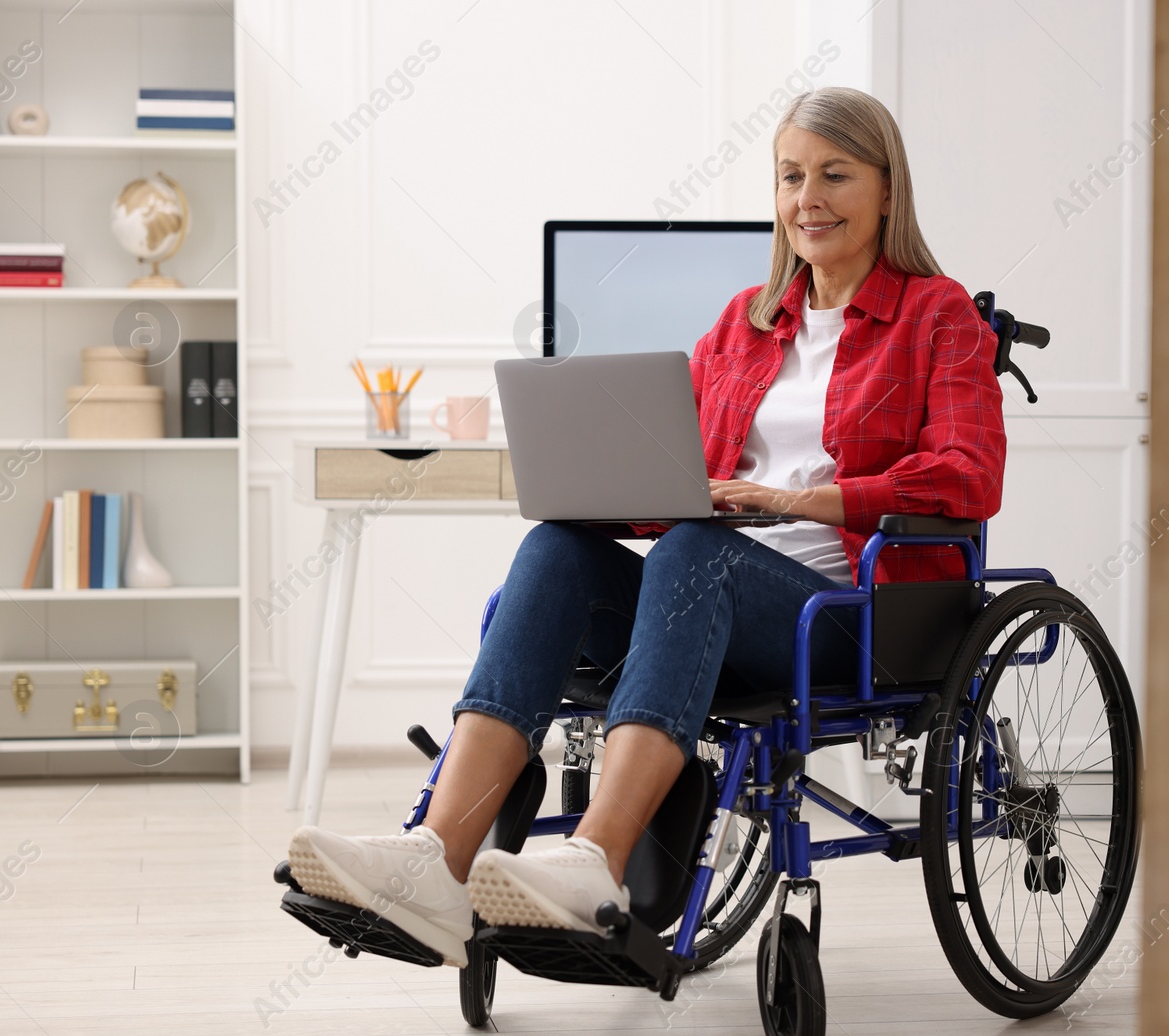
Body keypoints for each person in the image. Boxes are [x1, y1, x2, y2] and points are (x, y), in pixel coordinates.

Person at [286, 85, 1007, 966]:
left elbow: (966, 476)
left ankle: (595, 859)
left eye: (835, 174)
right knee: (558, 547)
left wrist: (791, 500)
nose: (807, 197)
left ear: (887, 190)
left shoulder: (940, 316)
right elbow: (682, 480)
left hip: (845, 618)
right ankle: (435, 860)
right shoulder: (743, 324)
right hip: (709, 590)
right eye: (790, 176)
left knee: (700, 547)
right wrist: (600, 486)